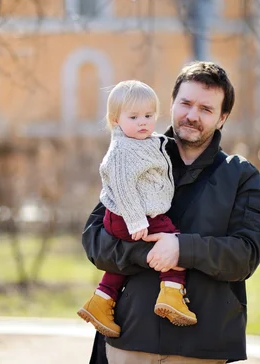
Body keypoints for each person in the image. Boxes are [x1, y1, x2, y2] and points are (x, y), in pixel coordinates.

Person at [82, 62, 260, 364]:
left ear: (222, 118)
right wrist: (151, 253)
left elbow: (245, 255)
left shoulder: (240, 175)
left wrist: (182, 249)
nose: (192, 115)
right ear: (171, 104)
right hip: (129, 340)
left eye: (206, 109)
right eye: (185, 103)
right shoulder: (128, 155)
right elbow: (96, 242)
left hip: (201, 349)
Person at [77, 80, 197, 340]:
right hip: (128, 216)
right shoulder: (122, 149)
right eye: (134, 117)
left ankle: (100, 300)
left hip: (133, 215)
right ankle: (172, 292)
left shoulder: (144, 141)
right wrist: (135, 220)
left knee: (123, 264)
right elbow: (122, 186)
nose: (143, 122)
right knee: (171, 242)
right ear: (115, 120)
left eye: (149, 115)